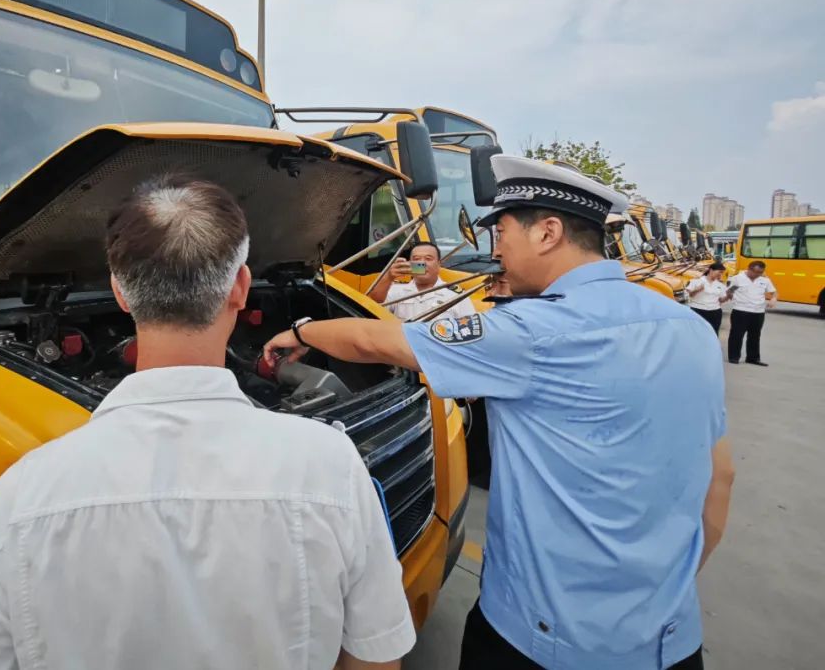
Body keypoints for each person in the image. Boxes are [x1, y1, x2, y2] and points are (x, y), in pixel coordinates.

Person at [264, 156, 734, 670]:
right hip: (673, 639)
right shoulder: (689, 328)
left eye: (502, 231)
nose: (497, 251)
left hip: (541, 643)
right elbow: (721, 477)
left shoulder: (532, 333)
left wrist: (300, 331)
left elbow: (376, 339)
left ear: (548, 232)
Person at [0, 177, 416, 670]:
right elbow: (375, 658)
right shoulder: (330, 468)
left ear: (120, 292)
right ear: (241, 288)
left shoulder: (22, 497)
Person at [369, 241, 477, 322]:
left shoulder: (456, 296)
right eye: (416, 259)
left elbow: (469, 328)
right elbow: (373, 304)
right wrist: (388, 277)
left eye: (428, 259)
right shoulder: (397, 290)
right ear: (410, 263)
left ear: (439, 264)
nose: (422, 263)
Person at [726, 259, 777, 366]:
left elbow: (773, 292)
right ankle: (734, 357)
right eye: (756, 272)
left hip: (758, 312)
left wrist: (773, 299)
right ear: (749, 269)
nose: (757, 275)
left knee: (755, 335)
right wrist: (732, 297)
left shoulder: (764, 280)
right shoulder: (738, 279)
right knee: (737, 335)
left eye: (760, 273)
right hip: (741, 311)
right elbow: (730, 291)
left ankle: (753, 358)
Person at [686, 262, 731, 334]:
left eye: (722, 273)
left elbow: (721, 300)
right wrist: (697, 290)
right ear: (711, 270)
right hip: (698, 310)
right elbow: (690, 295)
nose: (720, 274)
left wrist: (728, 296)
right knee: (697, 333)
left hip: (715, 312)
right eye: (719, 272)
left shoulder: (720, 284)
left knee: (713, 333)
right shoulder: (696, 281)